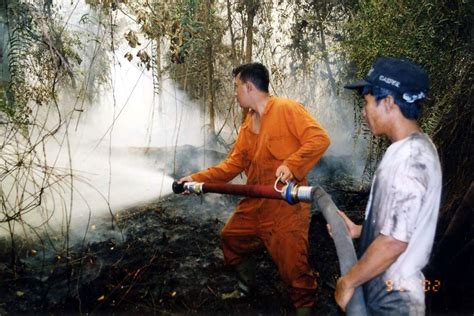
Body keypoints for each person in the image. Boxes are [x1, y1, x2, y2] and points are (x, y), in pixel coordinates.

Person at [179, 62, 330, 314]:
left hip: (286, 208)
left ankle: (305, 307)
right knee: (231, 238)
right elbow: (231, 165)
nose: (235, 92)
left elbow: (320, 139)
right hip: (255, 202)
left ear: (249, 87)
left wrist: (292, 165)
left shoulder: (286, 109)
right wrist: (195, 179)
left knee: (294, 271)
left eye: (237, 87)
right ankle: (246, 288)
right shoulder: (248, 125)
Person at [332, 56, 442, 315]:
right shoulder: (410, 149)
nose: (364, 110)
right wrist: (361, 230)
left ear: (389, 102)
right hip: (386, 291)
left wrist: (348, 281)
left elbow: (394, 242)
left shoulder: (411, 160)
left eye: (368, 102)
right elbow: (402, 225)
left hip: (394, 301)